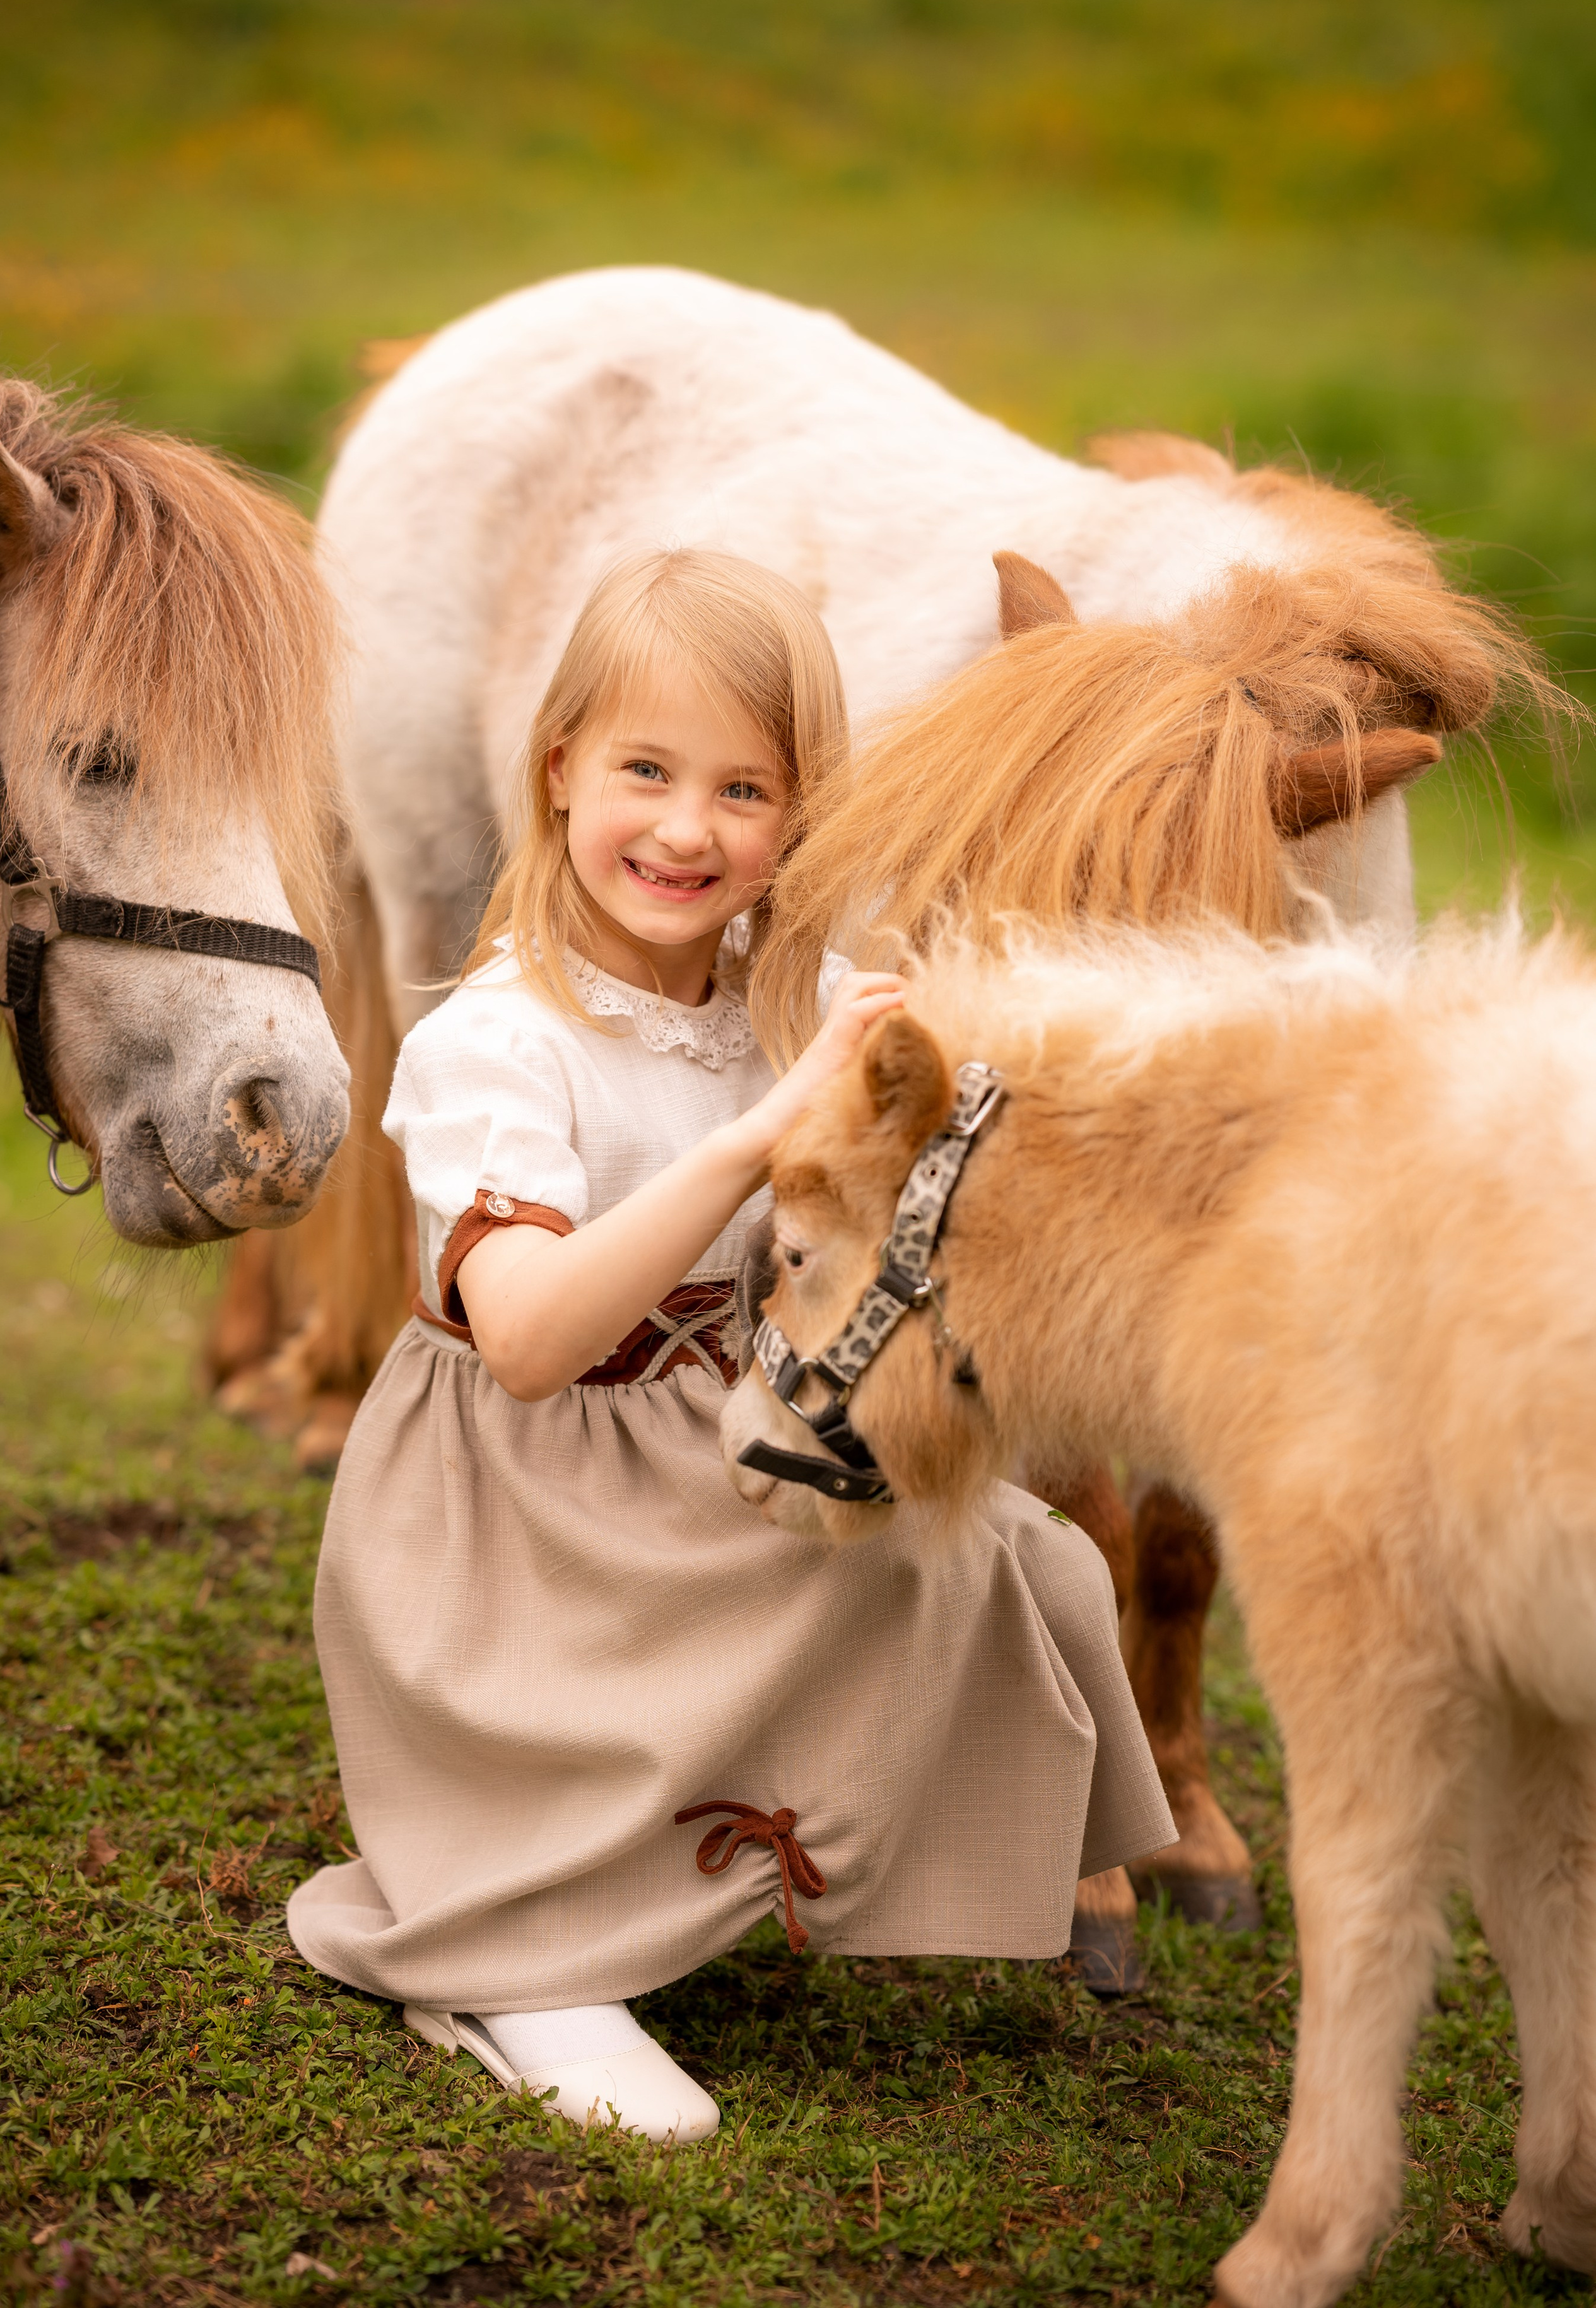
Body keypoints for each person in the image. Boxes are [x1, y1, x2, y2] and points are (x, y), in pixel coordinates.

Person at [286, 548, 1173, 2142]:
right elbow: (535, 1341)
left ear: (797, 815)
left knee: (1016, 1558)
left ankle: (764, 1867)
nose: (687, 830)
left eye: (743, 789)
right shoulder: (496, 1038)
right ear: (557, 770)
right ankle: (518, 1950)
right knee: (874, 1566)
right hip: (525, 1504)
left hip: (710, 1434)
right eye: (643, 769)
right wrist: (754, 1139)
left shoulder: (793, 997)